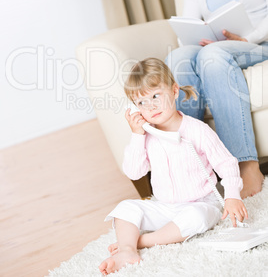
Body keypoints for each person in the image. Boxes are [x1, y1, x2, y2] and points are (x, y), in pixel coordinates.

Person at [99, 58, 248, 275]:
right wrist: (137, 136)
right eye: (141, 103)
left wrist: (233, 195)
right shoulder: (146, 136)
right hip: (165, 206)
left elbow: (226, 162)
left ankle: (143, 241)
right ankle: (127, 251)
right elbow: (134, 172)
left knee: (196, 219)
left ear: (175, 91)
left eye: (155, 96)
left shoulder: (197, 130)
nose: (150, 106)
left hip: (200, 204)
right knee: (124, 208)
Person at [166, 0, 268, 199]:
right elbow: (189, 25)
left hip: (258, 44)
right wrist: (197, 39)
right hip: (219, 49)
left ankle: (244, 163)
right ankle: (192, 166)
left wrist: (245, 38)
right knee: (181, 57)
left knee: (211, 56)